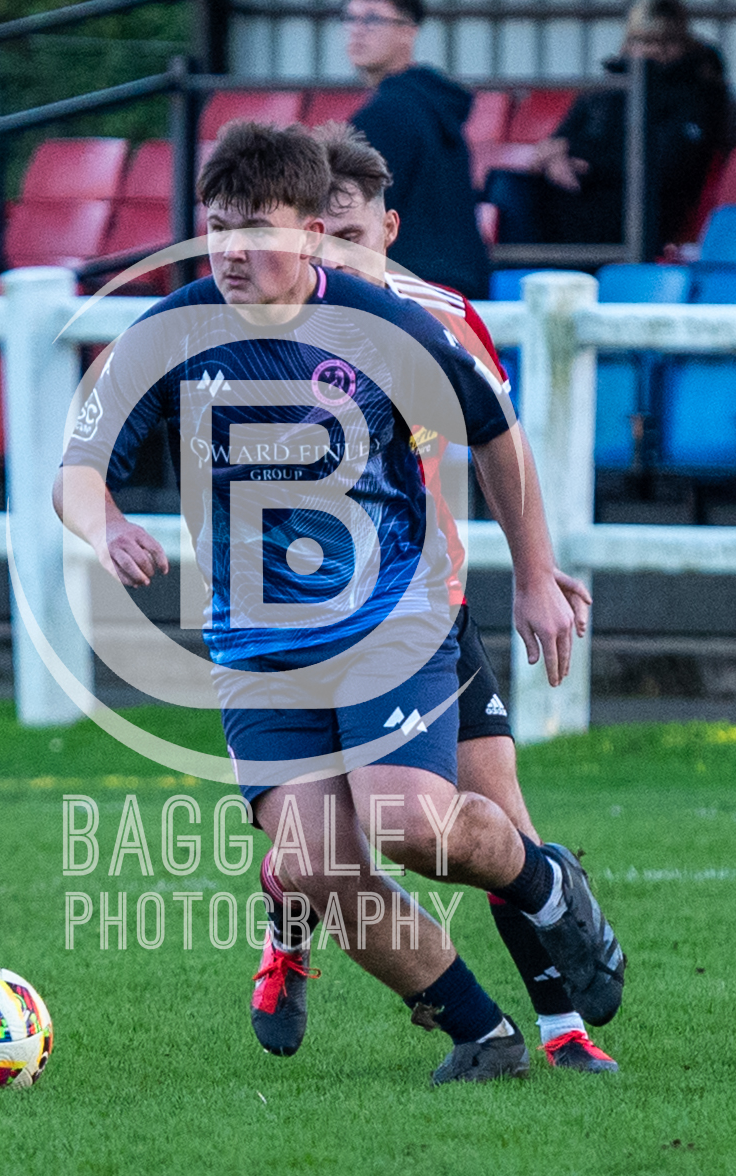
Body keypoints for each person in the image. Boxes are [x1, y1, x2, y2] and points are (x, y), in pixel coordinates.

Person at [54, 122, 624, 1085]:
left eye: (256, 229)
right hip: (257, 646)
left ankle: (543, 880)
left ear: (314, 234)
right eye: (216, 226)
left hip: (389, 621)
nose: (230, 249)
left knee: (412, 824)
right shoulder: (166, 333)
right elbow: (75, 467)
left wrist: (532, 574)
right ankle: (481, 1038)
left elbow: (495, 434)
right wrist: (103, 521)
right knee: (311, 864)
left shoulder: (388, 325)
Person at [252, 121, 618, 1074]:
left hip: (417, 610)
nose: (334, 255)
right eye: (314, 237)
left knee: (486, 820)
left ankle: (559, 1033)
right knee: (319, 844)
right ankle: (294, 924)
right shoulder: (254, 317)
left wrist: (533, 575)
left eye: (352, 235)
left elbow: (501, 438)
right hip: (285, 627)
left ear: (389, 227)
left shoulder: (433, 316)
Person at [486, 0, 730, 258]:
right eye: (639, 40)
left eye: (658, 42)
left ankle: (534, 276)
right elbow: (560, 140)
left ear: (678, 44)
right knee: (506, 185)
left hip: (637, 209)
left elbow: (665, 166)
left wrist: (587, 162)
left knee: (520, 196)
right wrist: (557, 158)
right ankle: (518, 282)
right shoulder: (610, 87)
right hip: (581, 193)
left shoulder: (696, 94)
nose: (648, 50)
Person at [344, 0, 491, 299]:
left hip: (408, 289)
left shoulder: (385, 115)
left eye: (372, 20)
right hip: (458, 282)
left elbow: (355, 215)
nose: (358, 31)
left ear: (408, 31)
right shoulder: (435, 105)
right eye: (351, 18)